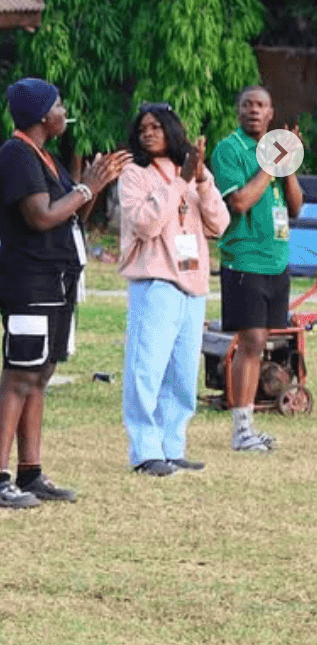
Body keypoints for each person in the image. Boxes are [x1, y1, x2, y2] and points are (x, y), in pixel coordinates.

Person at [0, 78, 128, 509]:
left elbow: (70, 213)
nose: (65, 112)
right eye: (59, 105)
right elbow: (42, 216)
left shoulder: (45, 157)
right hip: (30, 280)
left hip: (57, 279)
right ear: (44, 115)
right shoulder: (17, 155)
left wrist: (91, 186)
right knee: (19, 373)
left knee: (41, 373)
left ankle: (31, 472)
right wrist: (86, 187)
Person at [118, 104, 228, 476]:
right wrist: (180, 181)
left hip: (193, 283)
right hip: (156, 281)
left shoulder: (194, 174)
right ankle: (146, 451)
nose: (149, 133)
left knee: (182, 372)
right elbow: (146, 225)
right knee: (146, 369)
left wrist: (200, 181)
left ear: (172, 131)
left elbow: (220, 224)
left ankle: (172, 445)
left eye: (157, 127)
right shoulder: (135, 174)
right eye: (143, 128)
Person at [212, 85, 305, 452]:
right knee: (250, 342)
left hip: (276, 259)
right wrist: (271, 163)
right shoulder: (229, 149)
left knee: (263, 341)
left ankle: (247, 427)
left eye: (261, 105)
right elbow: (239, 201)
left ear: (271, 113)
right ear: (238, 112)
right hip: (244, 259)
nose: (253, 110)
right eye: (247, 105)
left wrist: (289, 161)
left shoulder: (276, 151)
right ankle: (241, 431)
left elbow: (295, 208)